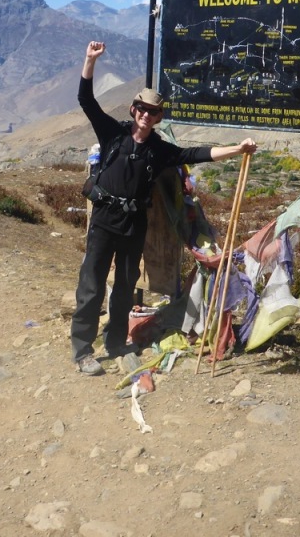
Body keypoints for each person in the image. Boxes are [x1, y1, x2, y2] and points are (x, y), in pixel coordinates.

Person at [72, 40, 257, 376]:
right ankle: (83, 350)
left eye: (153, 112)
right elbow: (86, 99)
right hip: (104, 220)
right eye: (141, 109)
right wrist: (90, 61)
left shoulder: (159, 150)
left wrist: (238, 149)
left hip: (133, 225)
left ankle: (116, 344)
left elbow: (195, 154)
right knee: (92, 284)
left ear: (159, 117)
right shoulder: (113, 133)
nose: (146, 115)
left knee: (126, 287)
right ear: (133, 110)